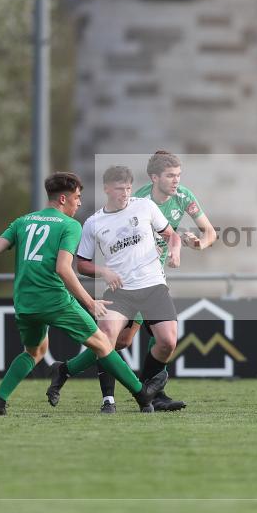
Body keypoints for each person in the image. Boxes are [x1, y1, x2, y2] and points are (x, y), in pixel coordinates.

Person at [0, 172, 167, 415]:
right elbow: (63, 269)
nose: (79, 203)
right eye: (77, 197)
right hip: (54, 300)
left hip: (25, 302)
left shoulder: (22, 222)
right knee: (102, 343)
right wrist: (89, 302)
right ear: (63, 199)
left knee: (34, 351)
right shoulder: (70, 226)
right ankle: (142, 395)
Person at [45, 166, 184, 412]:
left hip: (153, 286)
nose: (126, 193)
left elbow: (172, 235)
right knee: (106, 338)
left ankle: (147, 389)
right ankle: (120, 397)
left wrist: (174, 250)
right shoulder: (93, 223)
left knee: (168, 342)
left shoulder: (145, 206)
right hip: (121, 292)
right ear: (107, 189)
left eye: (129, 188)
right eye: (120, 189)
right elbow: (82, 264)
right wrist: (104, 271)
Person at [93, 151, 217, 413]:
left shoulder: (183, 196)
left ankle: (153, 393)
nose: (176, 181)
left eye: (178, 175)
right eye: (171, 176)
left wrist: (197, 244)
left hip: (153, 279)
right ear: (154, 178)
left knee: (162, 337)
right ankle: (94, 385)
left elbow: (210, 232)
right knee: (122, 342)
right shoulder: (138, 200)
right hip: (129, 282)